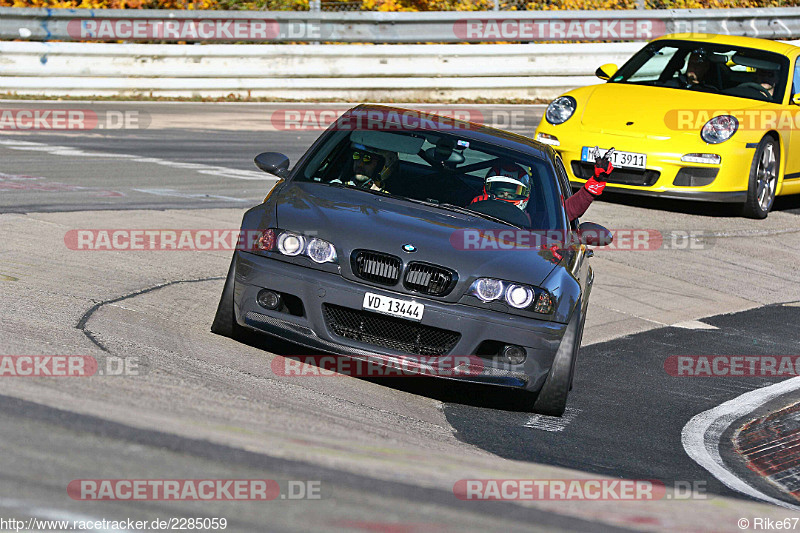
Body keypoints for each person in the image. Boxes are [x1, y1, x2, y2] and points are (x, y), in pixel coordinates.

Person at [470, 150, 614, 223]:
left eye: (513, 192)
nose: (506, 196)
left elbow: (567, 211)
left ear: (526, 193)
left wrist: (596, 181)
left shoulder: (540, 222)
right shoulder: (473, 206)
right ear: (487, 188)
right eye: (500, 191)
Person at [332, 143, 398, 193]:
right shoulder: (336, 186)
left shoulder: (388, 201)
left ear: (381, 166)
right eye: (356, 156)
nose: (359, 164)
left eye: (367, 158)